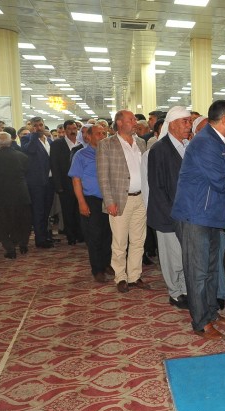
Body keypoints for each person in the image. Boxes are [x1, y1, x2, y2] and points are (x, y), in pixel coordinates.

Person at [171, 100, 225, 340]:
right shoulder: (204, 143)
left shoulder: (219, 142)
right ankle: (200, 322)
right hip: (195, 216)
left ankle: (210, 313)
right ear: (224, 120)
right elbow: (221, 181)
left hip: (210, 216)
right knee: (197, 272)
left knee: (211, 270)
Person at [97, 110, 150, 293]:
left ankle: (134, 276)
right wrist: (109, 201)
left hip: (140, 199)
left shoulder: (140, 142)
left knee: (138, 240)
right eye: (131, 119)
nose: (135, 122)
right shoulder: (106, 144)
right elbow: (103, 177)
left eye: (135, 119)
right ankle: (120, 277)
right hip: (120, 200)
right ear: (119, 123)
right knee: (120, 242)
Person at [146, 106, 191, 309]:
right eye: (185, 122)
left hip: (185, 214)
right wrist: (171, 214)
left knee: (183, 256)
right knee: (172, 257)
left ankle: (184, 290)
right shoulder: (159, 149)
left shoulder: (186, 146)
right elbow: (157, 186)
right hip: (167, 215)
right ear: (172, 125)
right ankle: (174, 293)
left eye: (190, 122)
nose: (189, 126)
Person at [69, 125, 112, 282]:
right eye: (98, 133)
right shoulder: (81, 155)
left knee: (109, 234)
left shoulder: (110, 153)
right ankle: (97, 269)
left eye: (104, 133)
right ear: (88, 137)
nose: (102, 136)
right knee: (94, 236)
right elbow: (76, 180)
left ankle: (107, 263)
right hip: (91, 199)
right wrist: (81, 202)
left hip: (109, 199)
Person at [0, 132, 31, 259]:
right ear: (11, 141)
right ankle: (23, 244)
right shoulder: (22, 156)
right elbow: (26, 172)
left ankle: (10, 249)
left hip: (0, 195)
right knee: (23, 221)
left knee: (0, 224)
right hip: (21, 193)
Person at [21, 116, 55, 248]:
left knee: (47, 210)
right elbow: (30, 150)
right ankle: (39, 239)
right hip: (36, 182)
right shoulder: (26, 139)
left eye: (40, 125)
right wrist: (34, 135)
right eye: (35, 126)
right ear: (30, 127)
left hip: (50, 181)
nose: (38, 128)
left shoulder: (49, 140)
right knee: (38, 211)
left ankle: (45, 235)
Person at [50, 120, 83, 245]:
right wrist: (58, 185)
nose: (72, 131)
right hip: (65, 183)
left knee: (80, 210)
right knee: (68, 211)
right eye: (69, 129)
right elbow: (54, 165)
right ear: (65, 130)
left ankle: (80, 234)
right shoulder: (57, 144)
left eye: (74, 128)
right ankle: (71, 236)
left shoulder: (81, 143)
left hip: (81, 183)